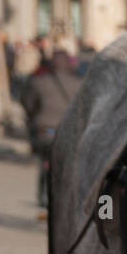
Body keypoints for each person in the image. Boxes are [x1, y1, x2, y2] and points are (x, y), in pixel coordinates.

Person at [21, 50, 82, 210]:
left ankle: (43, 195)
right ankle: (63, 195)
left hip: (44, 131)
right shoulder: (79, 84)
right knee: (67, 164)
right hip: (67, 133)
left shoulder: (39, 82)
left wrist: (34, 119)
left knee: (45, 160)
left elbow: (28, 103)